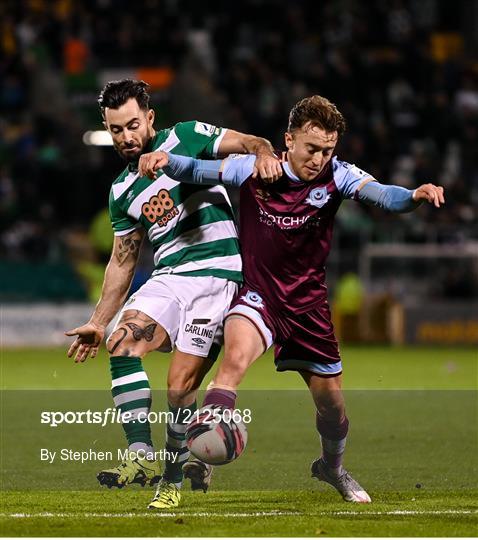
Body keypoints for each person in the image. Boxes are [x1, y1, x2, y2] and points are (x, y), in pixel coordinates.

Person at [143, 95, 445, 503]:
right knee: (233, 362)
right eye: (312, 148)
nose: (320, 158)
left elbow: (382, 195)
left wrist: (413, 196)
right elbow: (197, 169)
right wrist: (165, 160)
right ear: (289, 140)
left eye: (327, 150)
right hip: (258, 297)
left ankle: (331, 469)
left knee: (333, 412)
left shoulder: (337, 176)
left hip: (308, 307)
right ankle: (204, 449)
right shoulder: (254, 169)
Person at [65, 79, 282, 510]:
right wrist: (97, 320)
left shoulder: (185, 137)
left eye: (132, 125)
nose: (126, 137)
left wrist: (263, 153)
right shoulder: (120, 192)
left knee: (179, 389)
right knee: (120, 344)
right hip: (169, 277)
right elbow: (123, 262)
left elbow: (249, 142)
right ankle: (141, 455)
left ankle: (172, 478)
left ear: (149, 118)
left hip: (217, 276)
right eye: (115, 130)